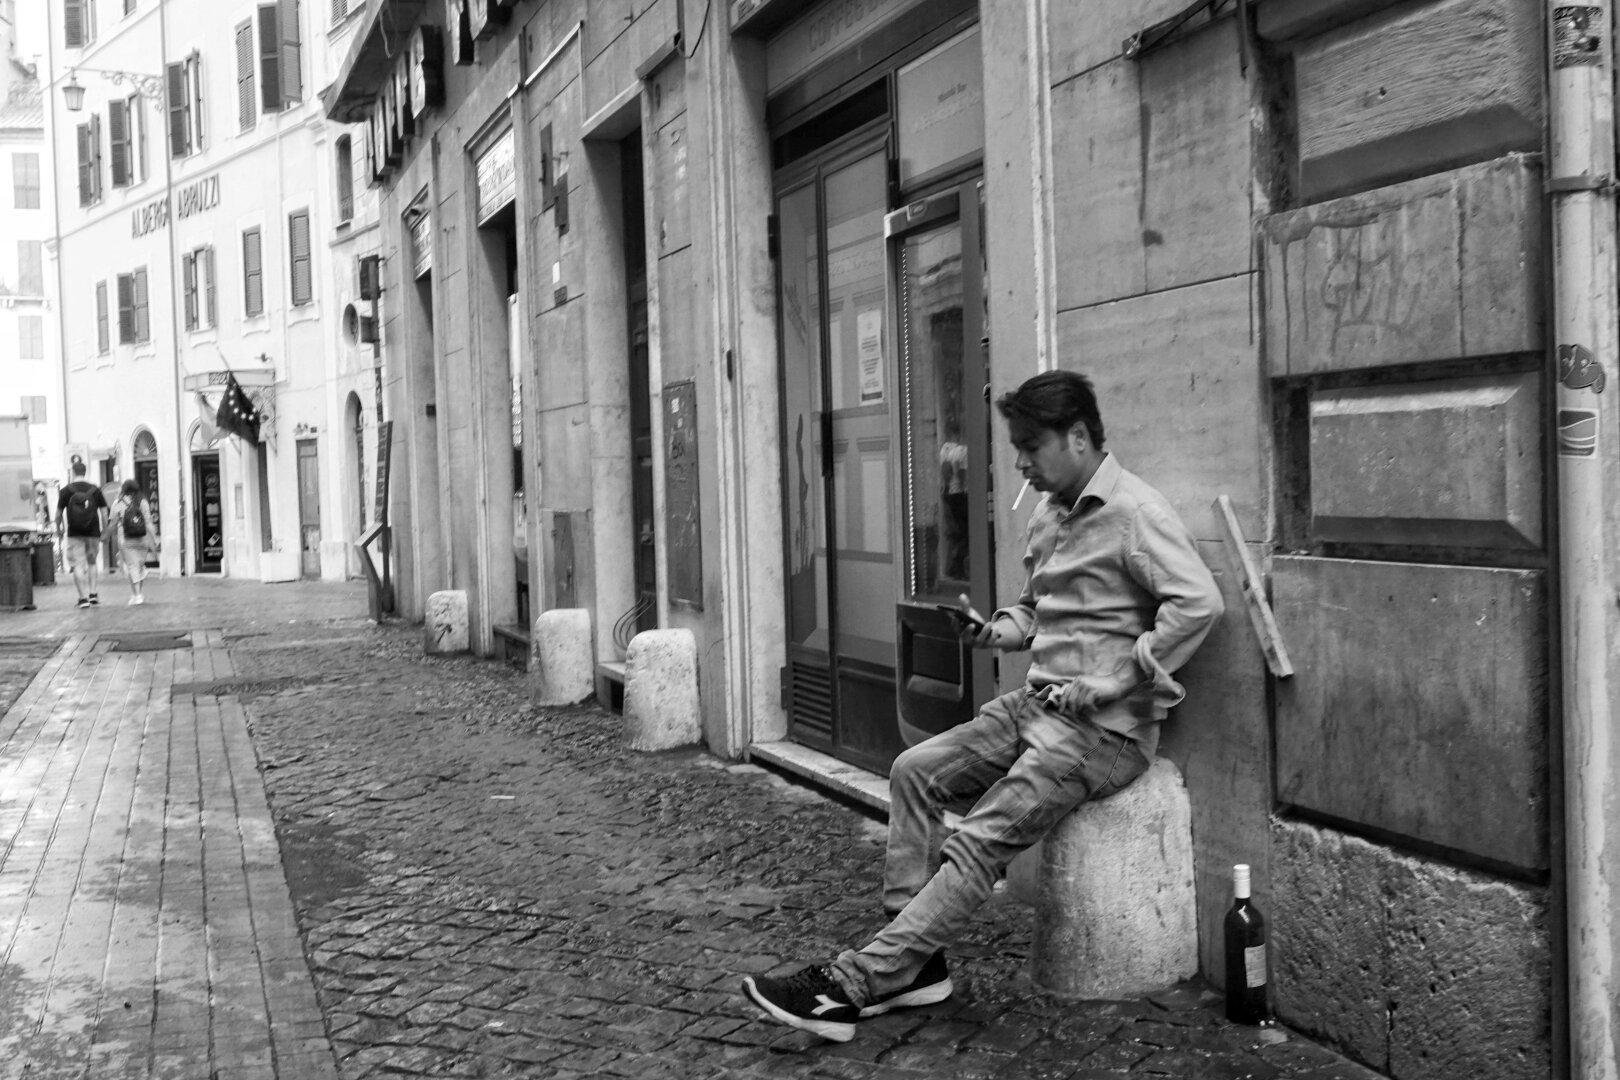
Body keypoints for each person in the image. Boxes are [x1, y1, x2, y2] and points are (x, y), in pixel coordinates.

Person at [741, 370, 1225, 1042]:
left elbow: (1199, 603)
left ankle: (856, 983)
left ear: (1078, 437)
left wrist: (1120, 680)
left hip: (1102, 735)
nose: (1020, 461)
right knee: (914, 769)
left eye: (1030, 445)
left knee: (979, 838)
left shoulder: (1137, 514)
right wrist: (993, 631)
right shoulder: (1051, 512)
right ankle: (917, 963)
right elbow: (1036, 611)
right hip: (1036, 705)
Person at [56, 459, 108, 609]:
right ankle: (93, 594)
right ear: (85, 472)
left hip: (75, 533)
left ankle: (82, 598)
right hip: (93, 532)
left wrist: (59, 530)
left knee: (77, 565)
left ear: (73, 473)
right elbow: (104, 513)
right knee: (92, 562)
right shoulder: (95, 490)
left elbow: (58, 514)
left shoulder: (66, 491)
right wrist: (104, 531)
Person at [109, 479, 157, 605]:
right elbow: (148, 522)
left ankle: (137, 595)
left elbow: (113, 523)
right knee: (139, 565)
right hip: (142, 537)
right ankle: (137, 594)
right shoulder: (143, 502)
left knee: (132, 566)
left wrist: (111, 534)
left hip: (125, 537)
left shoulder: (118, 502)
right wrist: (154, 538)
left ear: (124, 489)